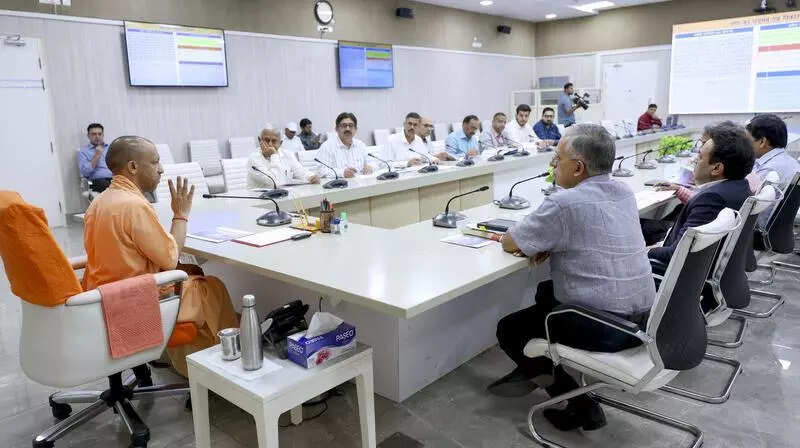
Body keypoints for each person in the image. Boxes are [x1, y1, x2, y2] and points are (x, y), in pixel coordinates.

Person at [493, 124, 655, 432]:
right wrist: (552, 242)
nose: (553, 164)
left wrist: (541, 240)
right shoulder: (624, 191)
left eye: (557, 158)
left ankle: (579, 404)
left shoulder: (563, 203)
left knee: (510, 329)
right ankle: (537, 369)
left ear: (578, 167)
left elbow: (510, 242)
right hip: (644, 319)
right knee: (546, 291)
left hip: (604, 327)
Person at [82, 136, 237, 379]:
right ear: (133, 167)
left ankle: (184, 360)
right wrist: (180, 214)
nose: (161, 169)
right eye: (155, 162)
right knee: (211, 288)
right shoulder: (134, 205)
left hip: (101, 300)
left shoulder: (98, 202)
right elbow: (170, 259)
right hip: (133, 303)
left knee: (191, 273)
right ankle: (217, 372)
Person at [648, 123, 754, 265]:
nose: (695, 161)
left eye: (700, 157)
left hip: (671, 269)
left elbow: (676, 254)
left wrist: (646, 251)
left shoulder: (712, 199)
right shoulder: (741, 185)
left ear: (716, 168)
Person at [746, 114, 799, 229]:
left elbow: (745, 207)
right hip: (779, 233)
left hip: (755, 231)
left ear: (762, 141)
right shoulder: (793, 164)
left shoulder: (769, 170)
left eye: (747, 141)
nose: (745, 146)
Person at [248, 127, 320, 188]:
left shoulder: (287, 154)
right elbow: (274, 183)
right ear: (259, 140)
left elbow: (300, 171)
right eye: (266, 140)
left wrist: (311, 177)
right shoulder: (254, 158)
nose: (270, 144)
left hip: (284, 196)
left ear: (280, 143)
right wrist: (274, 155)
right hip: (260, 198)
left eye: (274, 141)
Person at [316, 112, 374, 178]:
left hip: (361, 182)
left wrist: (370, 166)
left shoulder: (360, 145)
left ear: (356, 129)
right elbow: (321, 170)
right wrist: (342, 173)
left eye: (351, 125)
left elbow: (374, 163)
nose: (347, 129)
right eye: (344, 125)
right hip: (340, 183)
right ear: (336, 129)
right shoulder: (327, 146)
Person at [78, 123, 114, 192]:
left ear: (103, 135)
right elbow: (85, 172)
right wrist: (97, 155)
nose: (97, 137)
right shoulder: (84, 151)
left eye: (99, 134)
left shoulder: (110, 148)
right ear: (88, 136)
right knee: (106, 185)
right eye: (94, 134)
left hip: (115, 180)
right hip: (98, 181)